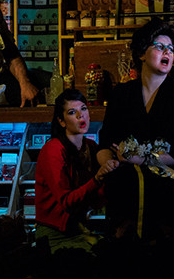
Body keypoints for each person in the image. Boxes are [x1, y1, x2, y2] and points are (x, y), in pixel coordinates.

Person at [97, 19, 174, 239]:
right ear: (141, 53)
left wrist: (143, 159)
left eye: (172, 49)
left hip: (171, 189)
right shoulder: (121, 94)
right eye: (160, 47)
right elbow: (106, 142)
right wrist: (108, 162)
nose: (168, 52)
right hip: (126, 187)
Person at [34, 89, 119, 254]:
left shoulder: (91, 147)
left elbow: (95, 201)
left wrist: (115, 167)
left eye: (84, 109)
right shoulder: (54, 149)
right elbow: (66, 201)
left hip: (79, 228)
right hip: (54, 233)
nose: (81, 116)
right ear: (61, 121)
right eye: (72, 112)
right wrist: (98, 177)